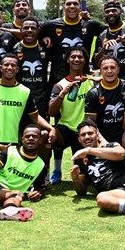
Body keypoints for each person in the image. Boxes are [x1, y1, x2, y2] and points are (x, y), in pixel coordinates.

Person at [0, 53, 55, 168]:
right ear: (0, 68)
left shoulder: (25, 92)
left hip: (11, 140)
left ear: (17, 69)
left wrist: (50, 128)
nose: (9, 68)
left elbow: (35, 117)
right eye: (6, 65)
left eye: (13, 65)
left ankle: (43, 177)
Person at [0, 125, 49, 221]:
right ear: (22, 139)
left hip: (10, 194)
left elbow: (41, 186)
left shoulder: (41, 165)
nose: (31, 138)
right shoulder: (8, 151)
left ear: (40, 140)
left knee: (17, 195)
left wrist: (38, 193)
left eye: (34, 136)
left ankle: (8, 212)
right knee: (18, 194)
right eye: (28, 136)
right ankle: (10, 210)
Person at [48, 45, 96, 182]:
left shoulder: (92, 82)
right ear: (67, 60)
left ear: (85, 60)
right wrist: (63, 93)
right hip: (66, 128)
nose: (76, 59)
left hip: (85, 130)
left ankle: (82, 168)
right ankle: (53, 171)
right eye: (73, 57)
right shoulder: (60, 85)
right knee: (47, 137)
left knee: (83, 178)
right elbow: (52, 112)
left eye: (80, 57)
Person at [40, 0, 106, 82]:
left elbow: (112, 30)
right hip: (58, 78)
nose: (72, 6)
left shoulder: (91, 25)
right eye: (68, 4)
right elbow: (29, 33)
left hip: (83, 78)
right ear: (63, 7)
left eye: (75, 4)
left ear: (80, 7)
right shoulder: (51, 25)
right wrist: (42, 37)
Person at [84, 56, 125, 147]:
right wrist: (102, 141)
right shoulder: (93, 93)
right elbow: (90, 123)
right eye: (105, 68)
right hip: (103, 137)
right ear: (100, 71)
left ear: (118, 70)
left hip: (124, 136)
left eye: (112, 67)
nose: (109, 71)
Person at [92, 0, 125, 82]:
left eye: (114, 10)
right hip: (109, 85)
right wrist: (104, 48)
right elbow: (95, 64)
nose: (110, 13)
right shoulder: (102, 35)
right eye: (107, 11)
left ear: (121, 11)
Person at [14, 16, 51, 118]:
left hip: (41, 100)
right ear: (21, 30)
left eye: (33, 28)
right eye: (26, 28)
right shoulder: (14, 49)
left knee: (42, 132)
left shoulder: (46, 47)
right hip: (19, 98)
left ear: (38, 30)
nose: (29, 30)